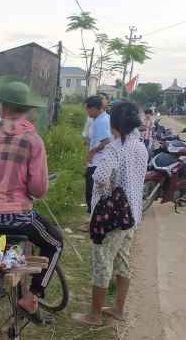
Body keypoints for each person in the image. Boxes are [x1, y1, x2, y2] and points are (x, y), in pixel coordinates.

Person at [0, 76, 63, 340]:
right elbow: (38, 188)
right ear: (27, 109)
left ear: (0, 105)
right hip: (18, 217)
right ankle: (33, 297)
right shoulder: (33, 141)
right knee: (55, 243)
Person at [72, 101, 148, 326]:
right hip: (132, 214)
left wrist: (106, 192)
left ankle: (94, 315)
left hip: (113, 217)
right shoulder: (140, 146)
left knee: (102, 262)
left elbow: (101, 176)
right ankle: (118, 309)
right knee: (123, 261)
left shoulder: (115, 148)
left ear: (114, 124)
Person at [81, 95, 112, 231]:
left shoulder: (101, 121)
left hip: (98, 162)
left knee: (92, 193)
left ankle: (93, 223)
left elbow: (106, 141)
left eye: (87, 109)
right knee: (94, 193)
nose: (87, 112)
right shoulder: (101, 118)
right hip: (98, 161)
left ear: (94, 108)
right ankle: (94, 221)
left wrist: (92, 152)